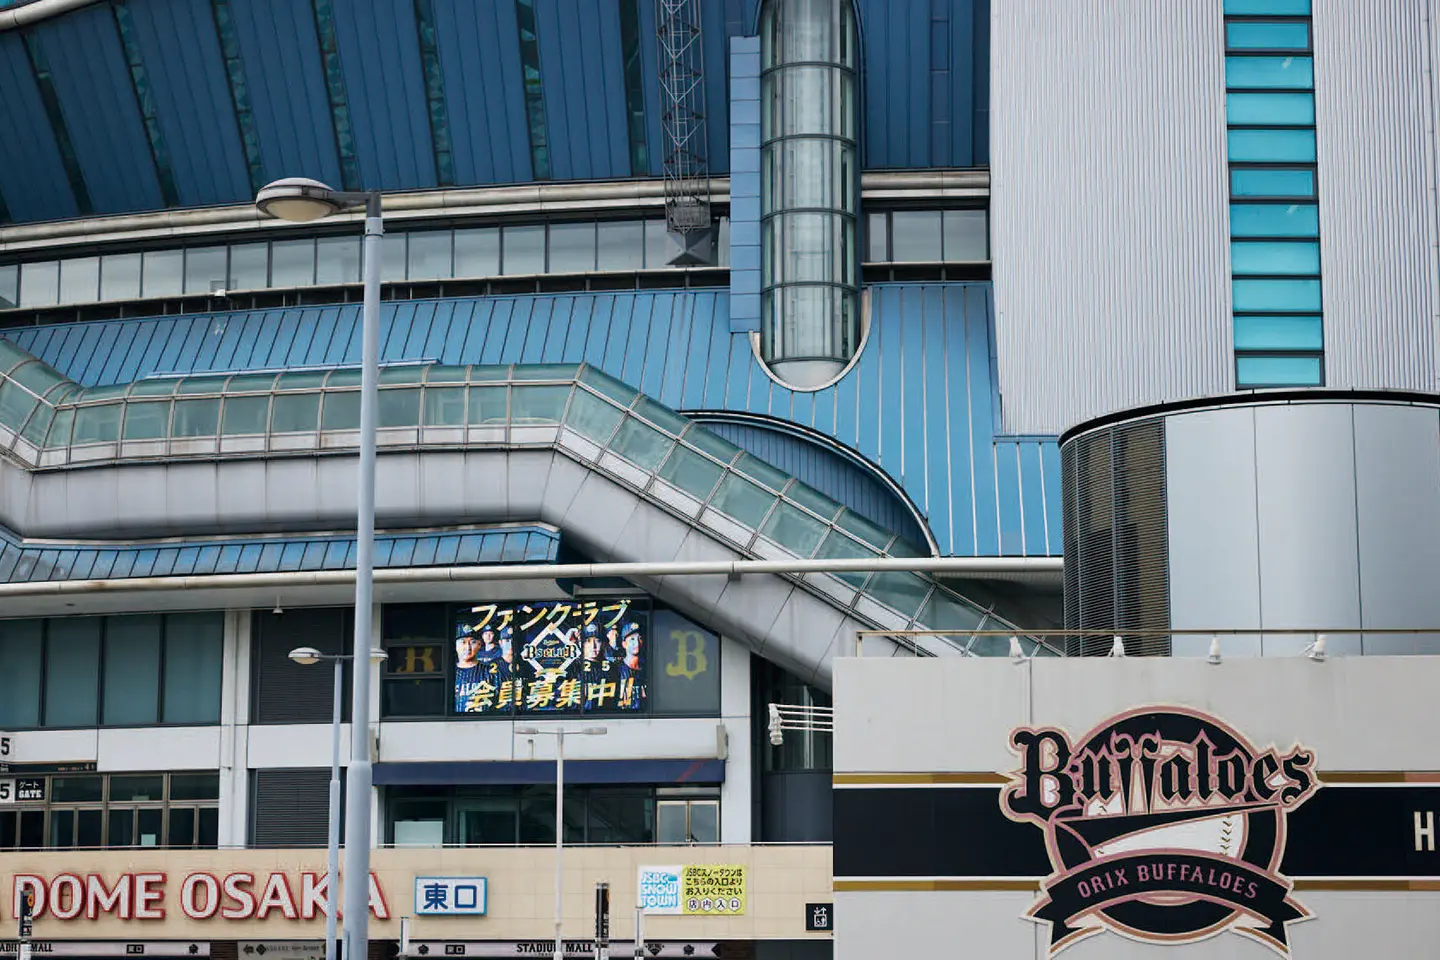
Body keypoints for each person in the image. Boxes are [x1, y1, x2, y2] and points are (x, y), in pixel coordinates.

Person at [454, 628, 488, 713]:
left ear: (479, 644)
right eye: (463, 642)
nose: (468, 647)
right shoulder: (450, 672)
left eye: (472, 642)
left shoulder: (489, 672)